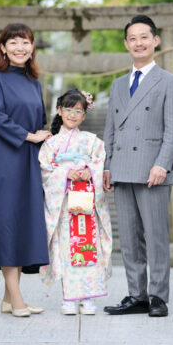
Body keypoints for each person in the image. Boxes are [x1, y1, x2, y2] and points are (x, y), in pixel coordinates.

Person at [102, 15, 173, 318]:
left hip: (153, 169)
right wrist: (107, 166)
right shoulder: (117, 85)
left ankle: (158, 297)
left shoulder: (170, 82)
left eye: (144, 37)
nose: (138, 43)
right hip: (122, 169)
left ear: (155, 41)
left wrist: (162, 164)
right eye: (132, 38)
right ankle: (136, 294)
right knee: (129, 237)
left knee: (156, 235)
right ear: (126, 44)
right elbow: (110, 129)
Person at [0, 23, 52, 317]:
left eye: (26, 42)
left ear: (32, 47)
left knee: (22, 222)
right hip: (4, 161)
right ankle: (17, 298)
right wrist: (28, 136)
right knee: (6, 222)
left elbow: (41, 120)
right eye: (14, 42)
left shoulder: (34, 81)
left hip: (30, 161)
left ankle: (9, 299)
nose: (21, 47)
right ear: (3, 48)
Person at [38, 89, 112, 316]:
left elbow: (100, 163)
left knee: (90, 247)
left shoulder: (92, 141)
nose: (72, 115)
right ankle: (69, 298)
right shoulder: (51, 144)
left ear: (84, 115)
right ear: (59, 111)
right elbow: (45, 170)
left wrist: (90, 171)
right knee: (67, 250)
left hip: (87, 202)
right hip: (64, 204)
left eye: (77, 111)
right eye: (68, 110)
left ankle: (88, 298)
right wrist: (67, 173)